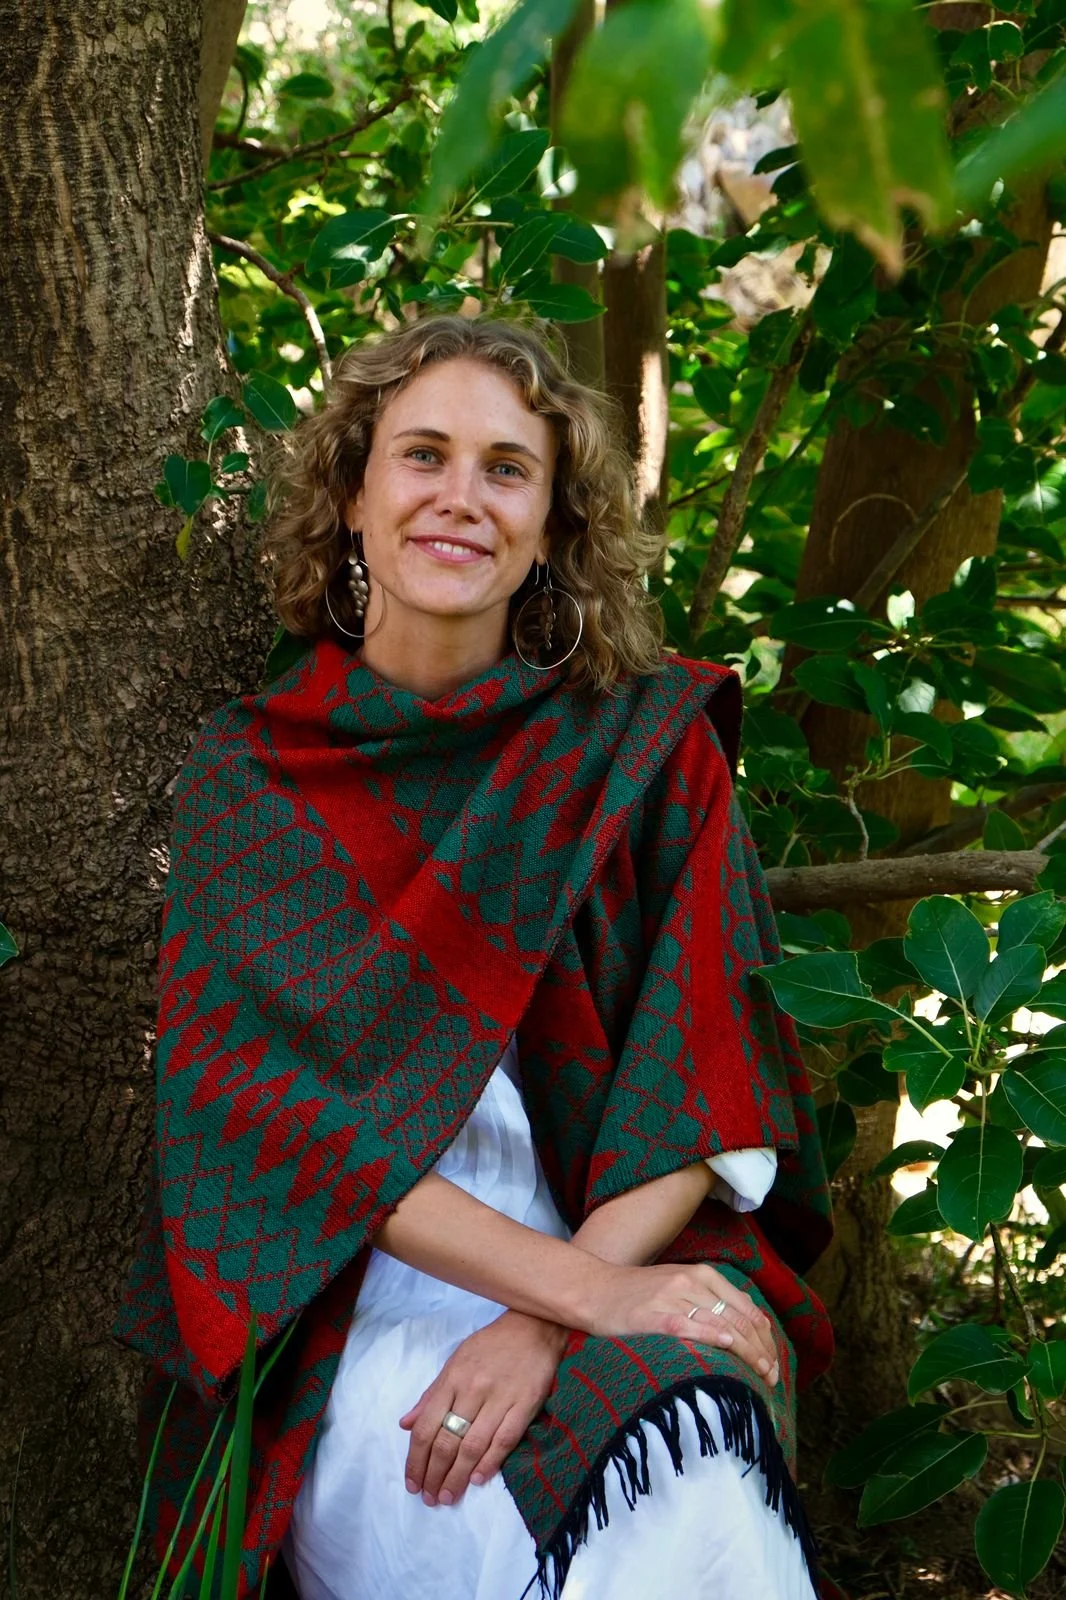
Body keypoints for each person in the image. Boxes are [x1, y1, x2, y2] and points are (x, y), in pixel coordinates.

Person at [113, 313, 836, 1600]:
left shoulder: (641, 745)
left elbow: (706, 1088)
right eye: (423, 455)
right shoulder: (255, 780)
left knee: (693, 1488)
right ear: (352, 495)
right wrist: (578, 1303)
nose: (461, 497)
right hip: (348, 1302)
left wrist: (557, 1315)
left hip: (617, 1249)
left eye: (507, 469)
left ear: (553, 524)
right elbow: (286, 1139)